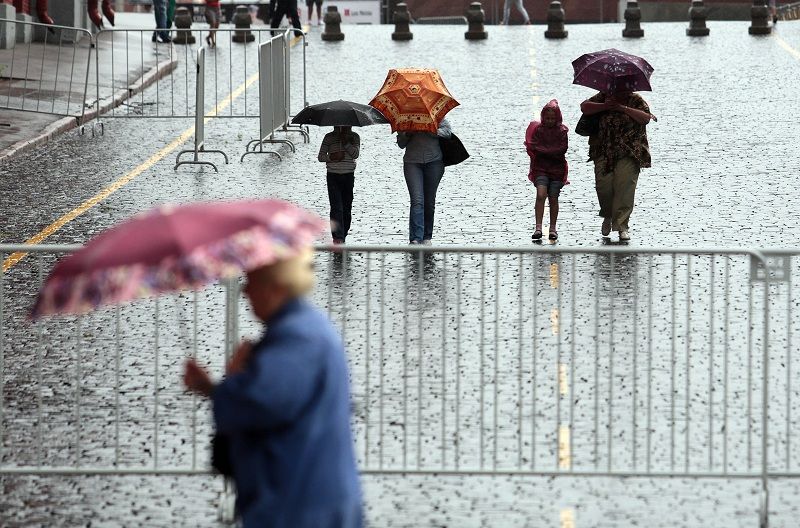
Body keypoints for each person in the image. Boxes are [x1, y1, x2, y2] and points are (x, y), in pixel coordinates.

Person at [183, 248, 363, 528]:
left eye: (251, 283)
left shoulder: (297, 340)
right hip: (306, 494)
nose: (244, 292)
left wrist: (232, 380)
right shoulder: (299, 330)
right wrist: (210, 388)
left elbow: (255, 406)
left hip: (298, 502)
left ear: (275, 289)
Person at [579, 89, 655, 241]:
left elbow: (646, 118)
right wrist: (606, 106)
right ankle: (607, 214)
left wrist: (622, 108)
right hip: (603, 151)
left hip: (629, 152)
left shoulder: (636, 100)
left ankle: (622, 226)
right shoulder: (601, 97)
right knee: (603, 187)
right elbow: (584, 107)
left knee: (625, 187)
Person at [397, 118, 452, 245]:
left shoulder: (437, 117)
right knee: (417, 201)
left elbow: (447, 133)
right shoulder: (406, 119)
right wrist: (407, 133)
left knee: (429, 202)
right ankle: (416, 238)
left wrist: (430, 130)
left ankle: (427, 236)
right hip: (412, 163)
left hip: (434, 163)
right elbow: (401, 143)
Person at [525, 99, 568, 241]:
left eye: (552, 118)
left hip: (557, 170)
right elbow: (535, 146)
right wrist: (549, 151)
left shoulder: (562, 131)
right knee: (541, 194)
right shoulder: (539, 130)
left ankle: (552, 228)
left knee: (553, 198)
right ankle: (538, 227)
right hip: (541, 168)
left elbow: (562, 149)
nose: (549, 121)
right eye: (547, 118)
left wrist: (545, 151)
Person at [318, 126, 361, 244]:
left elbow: (355, 154)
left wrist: (346, 142)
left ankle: (343, 232)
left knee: (347, 207)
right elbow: (321, 156)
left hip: (348, 175)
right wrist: (332, 157)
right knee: (336, 207)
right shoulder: (329, 137)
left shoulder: (354, 137)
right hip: (333, 175)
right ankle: (338, 236)